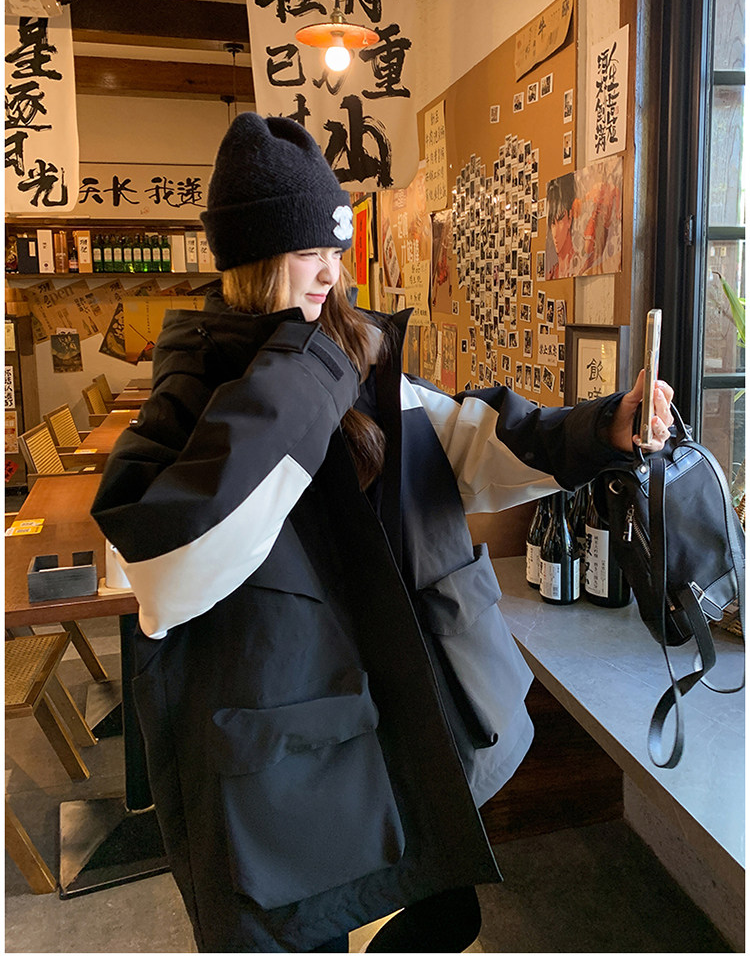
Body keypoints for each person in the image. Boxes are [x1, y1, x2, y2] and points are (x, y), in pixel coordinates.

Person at [90, 113, 674, 954]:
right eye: (307, 252)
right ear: (251, 261)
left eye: (336, 249)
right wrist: (308, 367)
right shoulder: (196, 391)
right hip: (291, 769)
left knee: (436, 916)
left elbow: (468, 439)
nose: (332, 271)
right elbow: (170, 568)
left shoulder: (351, 353)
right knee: (318, 920)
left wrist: (600, 429)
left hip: (405, 720)